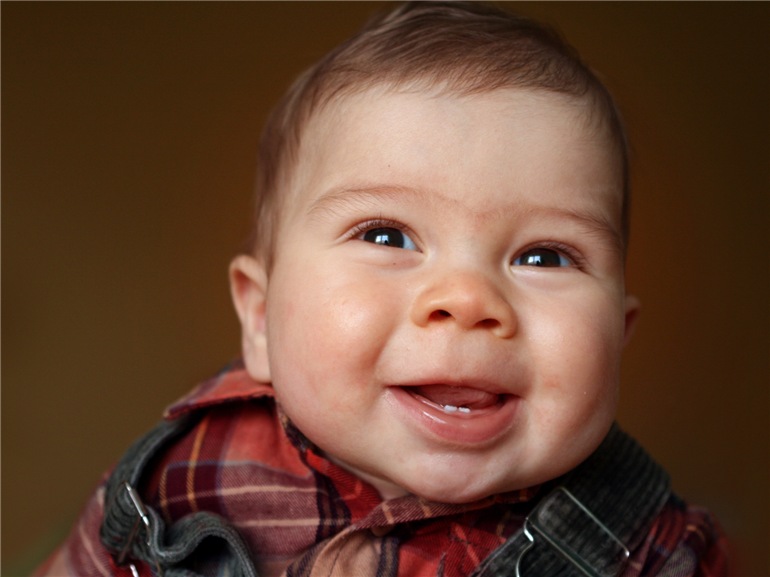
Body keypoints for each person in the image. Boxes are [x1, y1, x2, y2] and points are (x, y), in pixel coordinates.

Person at [34, 3, 728, 576]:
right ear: (260, 317)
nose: (465, 299)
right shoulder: (181, 477)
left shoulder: (658, 549)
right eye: (387, 236)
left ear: (618, 337)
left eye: (544, 255)